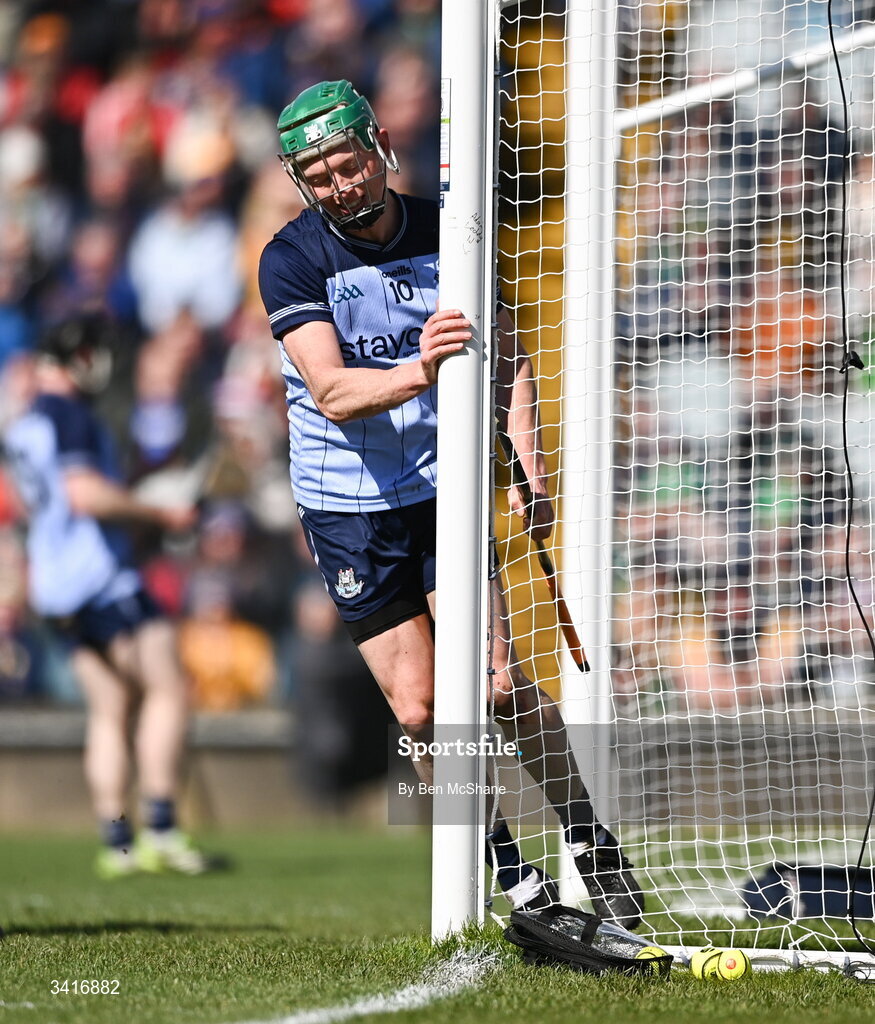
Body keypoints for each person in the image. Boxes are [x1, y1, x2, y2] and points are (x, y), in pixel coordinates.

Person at [258, 80, 644, 927]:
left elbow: (507, 358)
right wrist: (421, 371)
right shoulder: (290, 258)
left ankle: (590, 842)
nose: (339, 186)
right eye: (318, 176)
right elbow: (329, 390)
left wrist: (531, 472)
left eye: (348, 164)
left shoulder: (446, 232)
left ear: (380, 146)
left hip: (440, 488)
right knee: (422, 707)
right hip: (347, 508)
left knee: (500, 685)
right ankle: (508, 873)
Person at [2, 313, 211, 879]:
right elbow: (85, 495)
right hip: (100, 580)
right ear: (81, 357)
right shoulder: (68, 412)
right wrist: (159, 511)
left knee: (110, 709)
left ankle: (116, 842)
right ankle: (162, 829)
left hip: (56, 584)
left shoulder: (24, 422)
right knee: (170, 689)